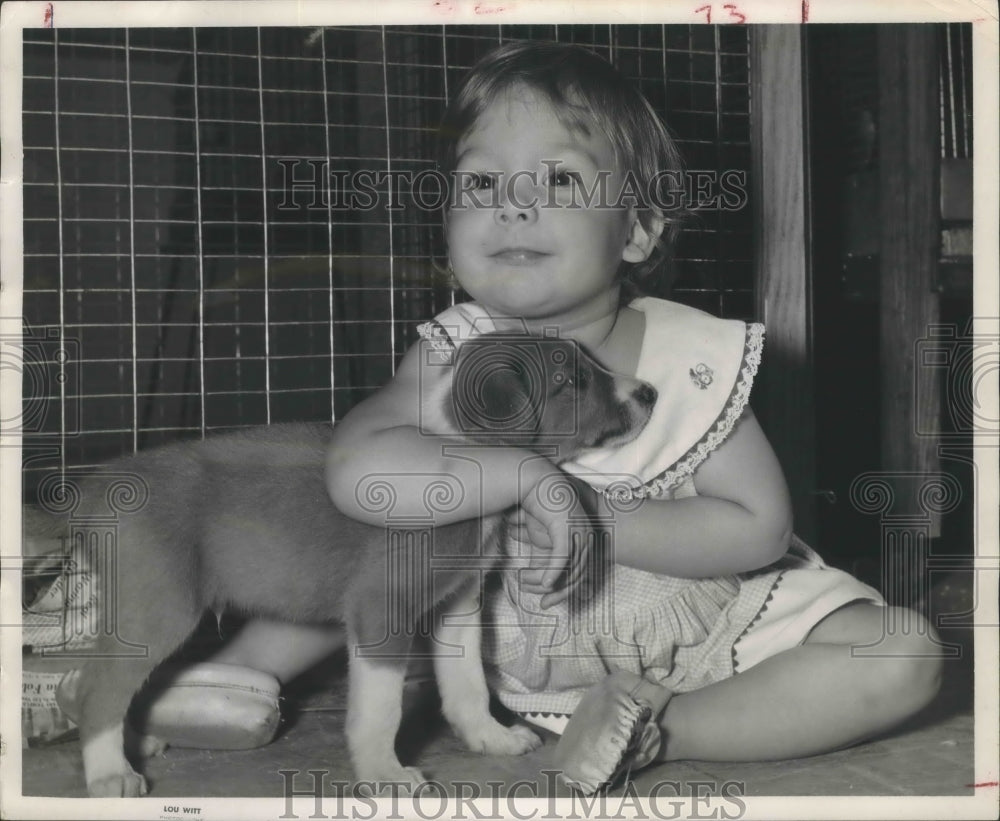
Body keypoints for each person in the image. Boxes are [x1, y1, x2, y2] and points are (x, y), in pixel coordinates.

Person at [58, 41, 943, 789]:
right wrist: (513, 476)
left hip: (701, 626)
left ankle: (662, 730)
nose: (514, 203)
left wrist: (577, 507)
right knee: (361, 535)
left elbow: (756, 529)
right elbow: (356, 469)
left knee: (900, 651)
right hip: (508, 637)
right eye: (481, 184)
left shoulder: (692, 355)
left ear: (637, 230)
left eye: (557, 180)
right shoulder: (452, 349)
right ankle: (238, 673)